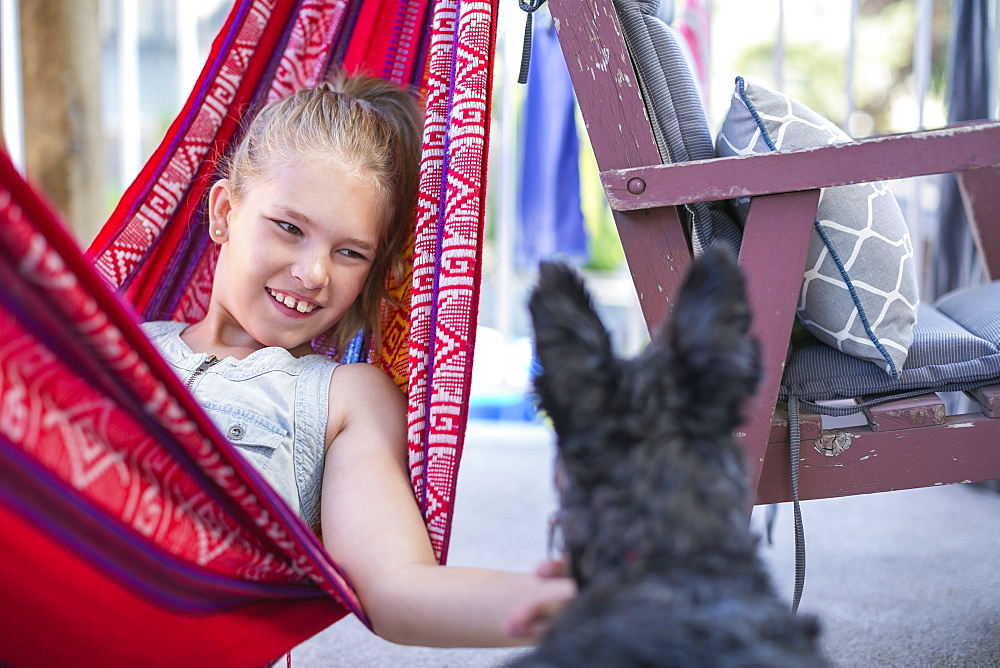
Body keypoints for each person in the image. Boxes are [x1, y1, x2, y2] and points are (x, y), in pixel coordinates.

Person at [142, 71, 574, 647]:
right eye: (289, 227)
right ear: (224, 211)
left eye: (349, 252)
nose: (315, 273)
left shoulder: (344, 396)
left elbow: (399, 590)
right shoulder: (123, 343)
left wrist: (574, 605)